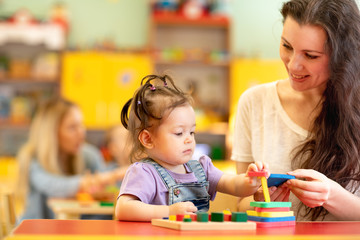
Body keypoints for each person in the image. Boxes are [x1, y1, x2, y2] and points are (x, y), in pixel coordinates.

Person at [232, 0, 360, 221]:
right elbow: (241, 204)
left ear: (343, 56)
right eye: (287, 46)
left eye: (310, 56)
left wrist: (332, 197)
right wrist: (260, 201)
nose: (293, 65)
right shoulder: (254, 102)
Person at [115, 74, 270, 221]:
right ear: (148, 139)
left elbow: (233, 185)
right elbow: (123, 209)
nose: (189, 139)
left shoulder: (202, 169)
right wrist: (168, 212)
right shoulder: (145, 173)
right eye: (179, 133)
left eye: (192, 131)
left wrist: (250, 181)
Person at [16, 97, 120, 220]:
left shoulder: (89, 154)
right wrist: (90, 182)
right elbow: (54, 186)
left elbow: (107, 188)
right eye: (72, 128)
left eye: (81, 125)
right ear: (52, 133)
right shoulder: (32, 158)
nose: (82, 134)